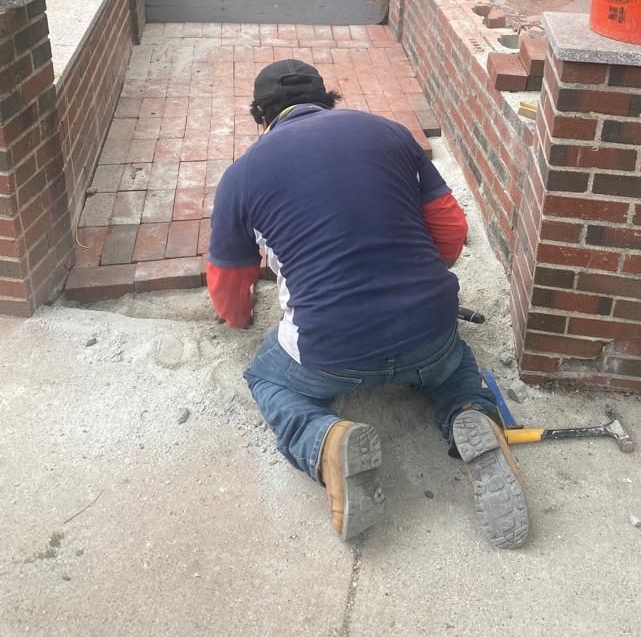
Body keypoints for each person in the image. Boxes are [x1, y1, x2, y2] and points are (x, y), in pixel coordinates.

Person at [206, 59, 529, 548]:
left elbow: (228, 289)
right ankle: (472, 416)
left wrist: (242, 318)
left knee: (266, 377)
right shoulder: (390, 134)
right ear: (326, 99)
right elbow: (451, 230)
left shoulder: (241, 176)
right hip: (431, 333)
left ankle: (325, 441)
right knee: (457, 366)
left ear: (261, 117)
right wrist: (417, 276)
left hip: (331, 352)